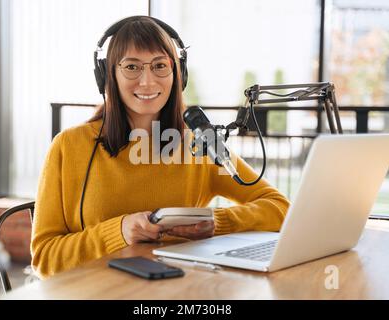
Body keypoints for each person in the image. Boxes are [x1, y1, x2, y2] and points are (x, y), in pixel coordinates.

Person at [31, 16, 290, 278]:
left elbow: (280, 208)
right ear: (109, 75)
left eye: (159, 66)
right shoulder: (69, 146)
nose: (147, 81)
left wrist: (218, 223)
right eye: (132, 67)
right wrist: (118, 232)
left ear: (178, 74)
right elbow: (44, 258)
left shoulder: (198, 144)